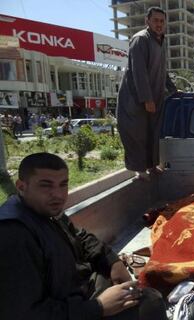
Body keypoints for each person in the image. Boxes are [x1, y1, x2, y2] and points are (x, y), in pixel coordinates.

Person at [0, 153, 167, 319]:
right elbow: (25, 314)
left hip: (80, 289)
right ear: (21, 187)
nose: (58, 194)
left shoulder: (44, 209)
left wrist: (112, 261)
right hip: (71, 309)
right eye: (46, 185)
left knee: (146, 294)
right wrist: (98, 307)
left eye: (63, 184)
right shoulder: (14, 235)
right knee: (149, 305)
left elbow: (79, 236)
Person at [117, 6, 176, 180]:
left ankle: (151, 166)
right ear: (147, 21)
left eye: (162, 21)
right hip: (136, 100)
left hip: (154, 97)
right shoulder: (140, 39)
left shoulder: (160, 41)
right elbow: (139, 71)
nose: (159, 24)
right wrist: (147, 99)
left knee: (152, 133)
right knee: (137, 134)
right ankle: (139, 171)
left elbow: (162, 70)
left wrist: (173, 88)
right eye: (156, 20)